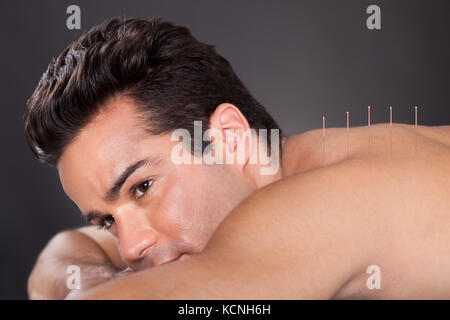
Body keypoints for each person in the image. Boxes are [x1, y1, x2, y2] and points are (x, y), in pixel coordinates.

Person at [25, 17, 450, 300]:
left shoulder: (320, 208)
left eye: (142, 188)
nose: (132, 247)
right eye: (108, 220)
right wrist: (97, 280)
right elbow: (64, 252)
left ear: (230, 139)